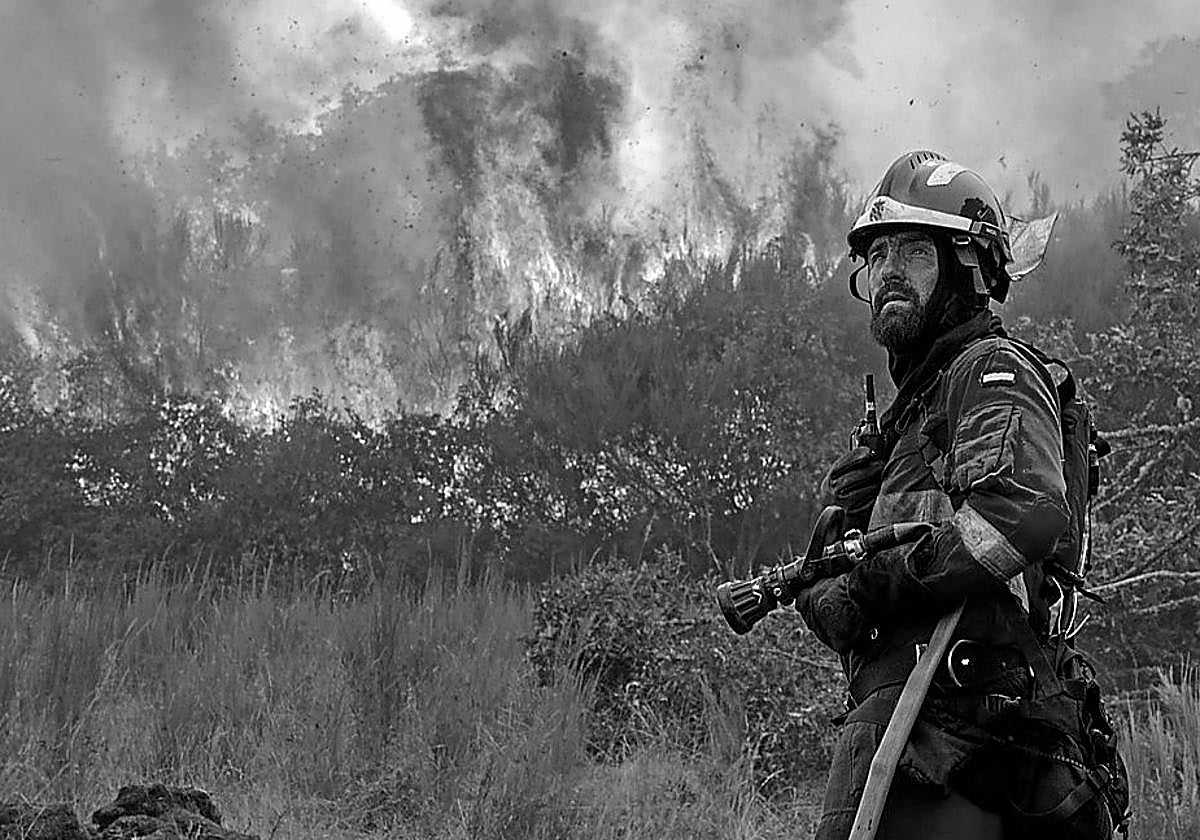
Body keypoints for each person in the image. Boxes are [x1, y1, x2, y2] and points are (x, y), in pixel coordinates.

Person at [795, 151, 1071, 839]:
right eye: (879, 254)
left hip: (967, 730)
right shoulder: (910, 421)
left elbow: (1023, 511)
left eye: (915, 251)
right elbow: (863, 594)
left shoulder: (988, 368)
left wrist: (885, 579)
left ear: (968, 270)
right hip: (904, 721)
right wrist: (834, 567)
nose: (889, 270)